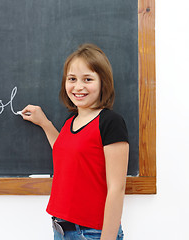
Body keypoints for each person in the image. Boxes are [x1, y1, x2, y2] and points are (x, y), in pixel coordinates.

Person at [20, 43, 129, 240]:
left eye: (88, 79)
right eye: (72, 79)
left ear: (103, 82)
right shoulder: (71, 120)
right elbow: (64, 151)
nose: (78, 87)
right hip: (61, 229)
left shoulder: (110, 122)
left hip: (91, 233)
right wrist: (45, 123)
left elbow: (117, 188)